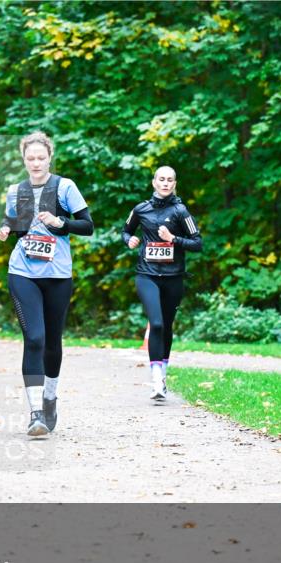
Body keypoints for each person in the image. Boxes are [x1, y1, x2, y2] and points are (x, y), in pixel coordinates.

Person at [0, 131, 94, 436]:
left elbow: (88, 226)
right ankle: (36, 412)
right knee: (35, 338)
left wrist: (60, 223)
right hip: (22, 271)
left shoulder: (64, 187)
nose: (36, 162)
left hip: (57, 274)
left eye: (41, 157)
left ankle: (50, 396)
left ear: (49, 157)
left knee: (53, 341)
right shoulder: (17, 190)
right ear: (23, 159)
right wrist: (5, 228)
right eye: (31, 158)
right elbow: (13, 222)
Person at [122, 165, 203, 401]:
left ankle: (163, 375)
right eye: (161, 179)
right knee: (155, 323)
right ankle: (156, 380)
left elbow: (197, 243)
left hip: (174, 277)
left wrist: (173, 239)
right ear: (154, 182)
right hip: (146, 275)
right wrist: (130, 240)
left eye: (170, 180)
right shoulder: (141, 209)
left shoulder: (181, 212)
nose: (165, 183)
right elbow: (125, 231)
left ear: (174, 184)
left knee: (166, 326)